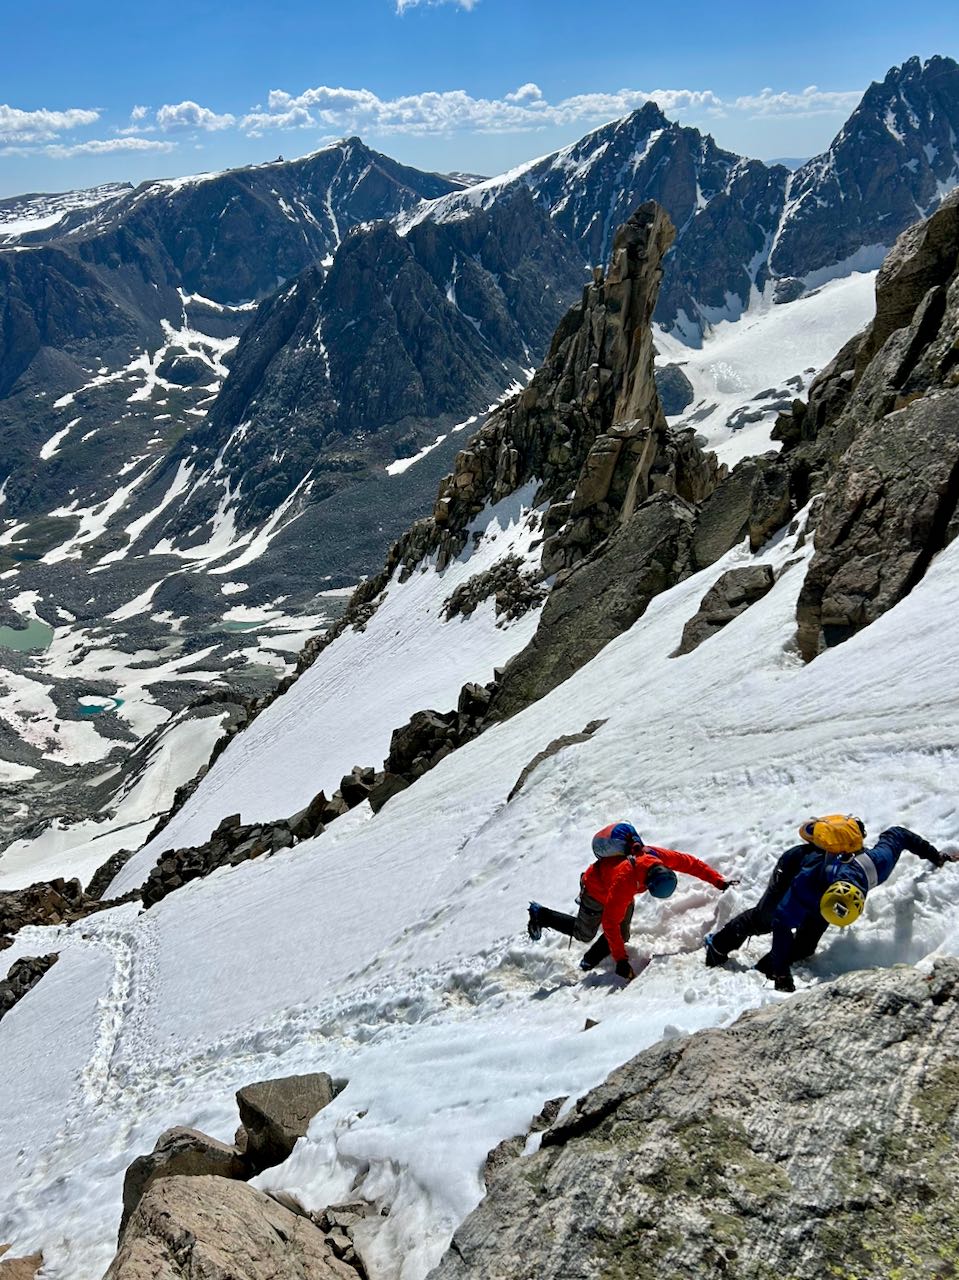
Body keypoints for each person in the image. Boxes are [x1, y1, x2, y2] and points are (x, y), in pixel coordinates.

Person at [704, 815, 952, 992]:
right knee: (765, 918)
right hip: (794, 865)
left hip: (826, 891)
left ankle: (765, 967)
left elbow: (898, 834)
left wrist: (936, 856)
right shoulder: (807, 884)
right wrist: (781, 972)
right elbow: (781, 922)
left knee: (804, 946)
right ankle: (718, 946)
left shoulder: (878, 865)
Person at [528, 822, 734, 981]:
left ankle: (588, 961)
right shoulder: (625, 881)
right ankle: (541, 915)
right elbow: (609, 923)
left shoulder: (655, 856)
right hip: (595, 891)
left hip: (618, 891)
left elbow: (690, 863)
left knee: (623, 934)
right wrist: (621, 962)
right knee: (585, 934)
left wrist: (719, 882)